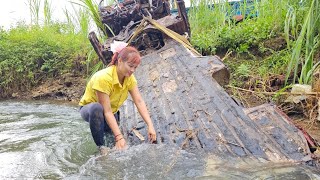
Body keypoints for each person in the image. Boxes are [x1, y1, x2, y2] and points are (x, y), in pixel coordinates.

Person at [79, 42, 157, 155]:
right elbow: (106, 111)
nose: (132, 70)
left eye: (135, 67)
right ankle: (101, 148)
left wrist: (150, 125)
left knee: (113, 141)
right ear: (120, 61)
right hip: (91, 110)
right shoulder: (103, 78)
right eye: (130, 66)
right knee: (97, 109)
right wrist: (119, 137)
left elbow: (139, 101)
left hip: (112, 112)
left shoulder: (129, 78)